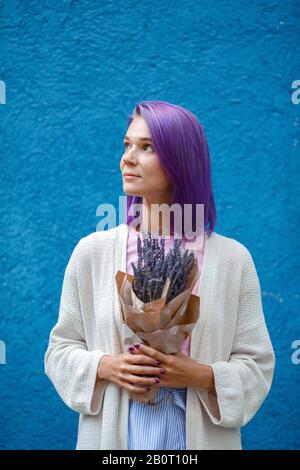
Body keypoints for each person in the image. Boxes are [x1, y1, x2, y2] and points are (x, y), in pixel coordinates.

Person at [44, 100, 275, 450]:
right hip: (115, 438)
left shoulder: (232, 260)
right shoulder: (92, 253)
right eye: (127, 145)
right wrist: (108, 367)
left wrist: (202, 376)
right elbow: (59, 351)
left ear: (180, 160)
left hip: (197, 435)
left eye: (147, 147)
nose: (127, 158)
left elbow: (257, 365)